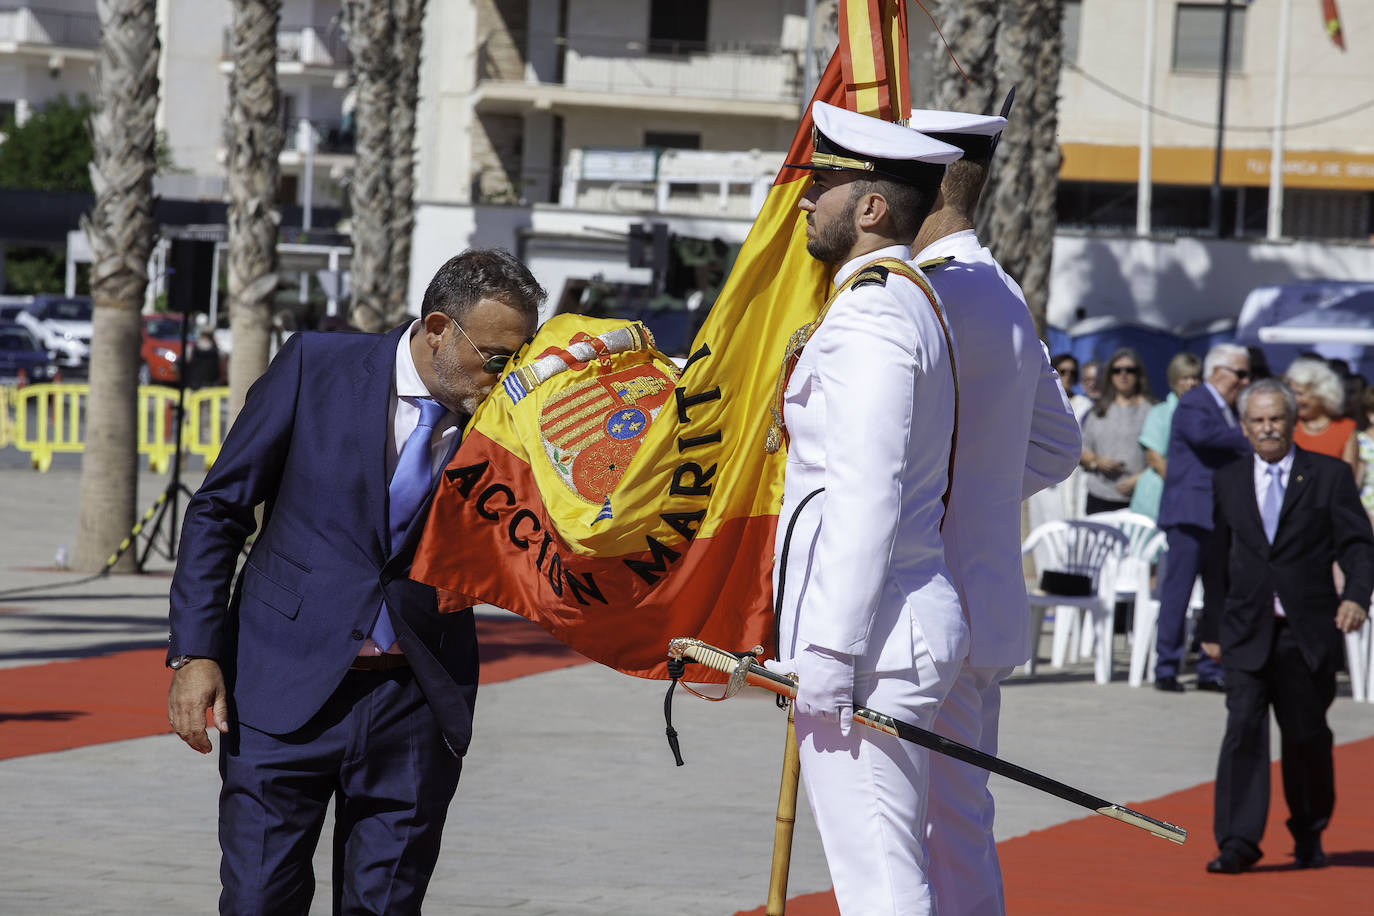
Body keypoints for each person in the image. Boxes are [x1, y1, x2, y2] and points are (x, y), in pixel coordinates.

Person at [166, 249, 544, 913]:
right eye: (494, 357)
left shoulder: (511, 422)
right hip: (282, 690)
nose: (506, 375)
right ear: (437, 329)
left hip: (414, 702)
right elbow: (219, 510)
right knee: (258, 901)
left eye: (520, 358)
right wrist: (195, 653)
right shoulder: (316, 366)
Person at [764, 100, 965, 915]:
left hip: (875, 639)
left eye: (824, 185)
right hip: (887, 629)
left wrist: (830, 650)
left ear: (871, 208)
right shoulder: (891, 299)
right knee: (882, 863)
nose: (807, 201)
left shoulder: (875, 314)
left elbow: (865, 493)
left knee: (880, 879)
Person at [909, 106, 1081, 916]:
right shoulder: (1000, 287)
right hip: (978, 599)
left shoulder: (925, 294)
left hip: (914, 602)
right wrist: (975, 495)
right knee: (961, 821)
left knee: (901, 831)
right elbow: (1057, 447)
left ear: (928, 185)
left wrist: (937, 501)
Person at [1199, 378, 1373, 874]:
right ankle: (1237, 842)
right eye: (1257, 421)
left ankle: (1309, 830)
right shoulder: (1227, 480)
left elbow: (1359, 546)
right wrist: (1210, 628)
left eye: (1275, 418)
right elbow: (1217, 560)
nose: (1267, 428)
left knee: (1305, 736)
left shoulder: (1329, 475)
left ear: (1292, 421)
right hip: (1244, 630)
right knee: (1242, 731)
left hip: (1306, 631)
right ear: (1244, 428)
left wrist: (1357, 596)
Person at [1154, 343, 1252, 693]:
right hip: (1190, 514)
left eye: (1247, 374)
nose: (1244, 381)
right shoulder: (1196, 400)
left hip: (1219, 516)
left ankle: (1211, 668)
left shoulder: (1227, 407)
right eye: (1239, 373)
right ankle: (1166, 667)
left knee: (1217, 595)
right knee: (1177, 593)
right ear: (1217, 371)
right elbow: (1202, 435)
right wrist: (1247, 435)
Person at [1079, 347, 1155, 514]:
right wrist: (1097, 461)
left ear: (1139, 374)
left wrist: (1140, 479)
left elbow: (1164, 455)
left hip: (1139, 499)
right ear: (1109, 375)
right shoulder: (1098, 411)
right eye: (1117, 370)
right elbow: (1081, 450)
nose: (1123, 374)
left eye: (1130, 370)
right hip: (1099, 497)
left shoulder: (1152, 411)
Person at [1130, 352, 1202, 520]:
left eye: (1195, 378)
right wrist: (1183, 489)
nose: (1191, 383)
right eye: (1184, 378)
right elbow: (1155, 458)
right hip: (1160, 496)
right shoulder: (1160, 413)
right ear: (1174, 381)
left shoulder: (1208, 414)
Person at [1285, 356, 1358, 476]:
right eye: (1292, 393)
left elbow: (1349, 477)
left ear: (1321, 393)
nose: (1294, 400)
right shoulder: (1289, 426)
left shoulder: (1345, 428)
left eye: (1299, 394)